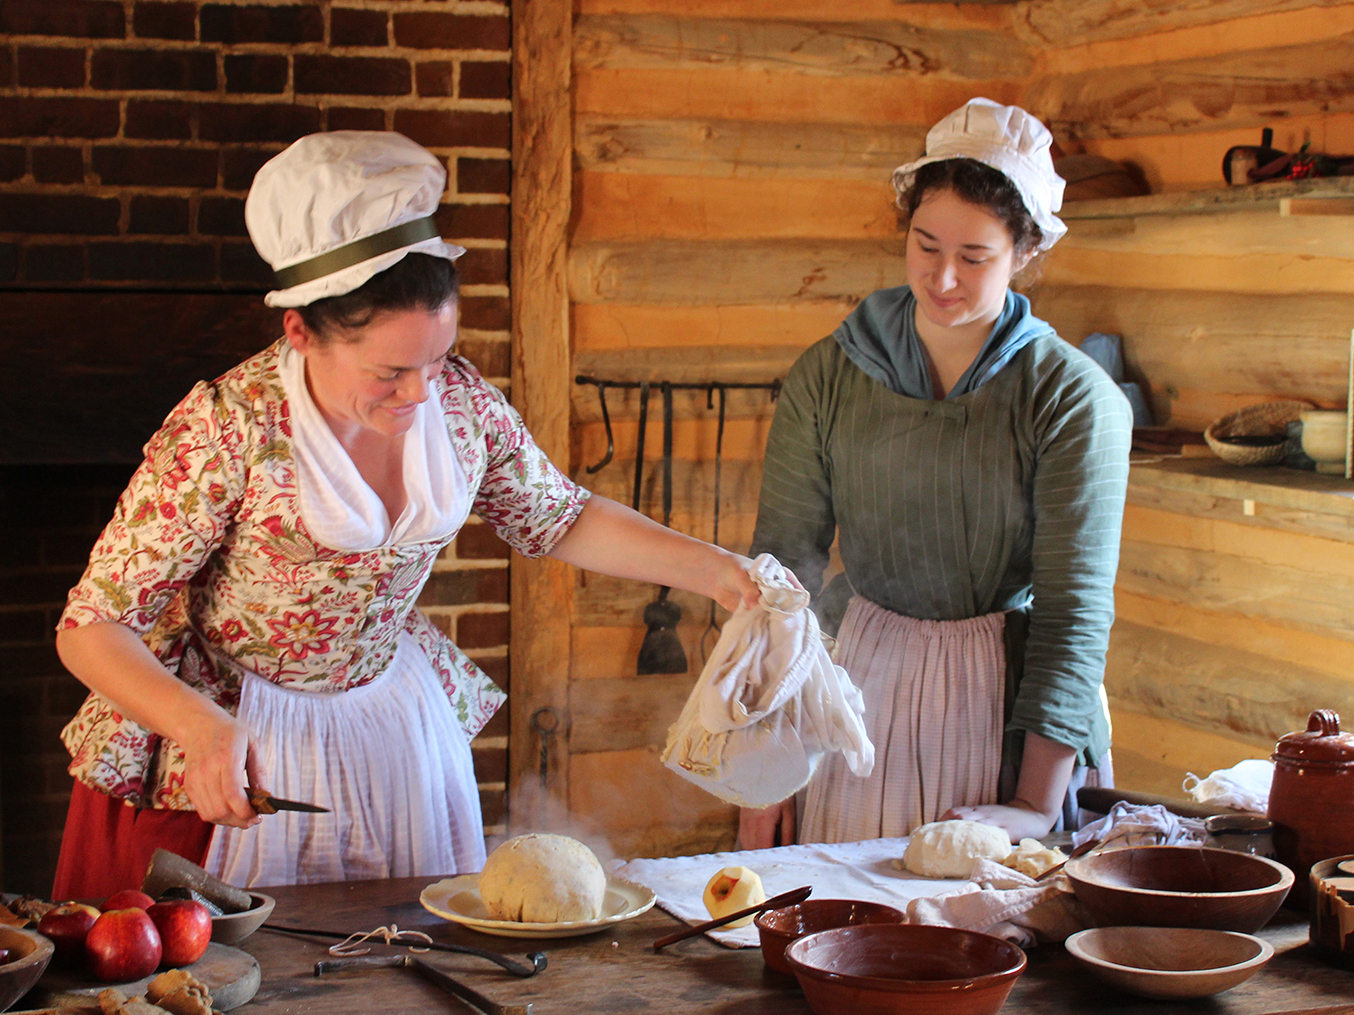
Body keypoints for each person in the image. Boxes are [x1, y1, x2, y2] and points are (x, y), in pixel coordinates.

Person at [52, 131, 761, 898]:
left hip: (394, 729)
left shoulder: (459, 404)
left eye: (436, 356)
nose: (422, 391)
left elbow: (560, 516)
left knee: (401, 961)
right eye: (390, 370)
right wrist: (196, 725)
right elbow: (90, 626)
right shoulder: (231, 428)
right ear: (300, 332)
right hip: (241, 734)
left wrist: (720, 573)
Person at [740, 98, 1131, 851]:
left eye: (975, 257)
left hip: (1014, 721)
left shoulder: (1070, 398)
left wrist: (1033, 803)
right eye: (926, 245)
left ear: (1024, 251)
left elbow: (1071, 611)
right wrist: (766, 770)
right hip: (858, 702)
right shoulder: (830, 375)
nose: (943, 277)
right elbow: (782, 581)